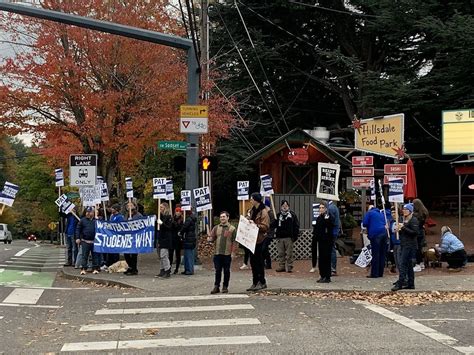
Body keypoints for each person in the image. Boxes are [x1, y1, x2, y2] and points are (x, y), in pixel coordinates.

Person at [208, 211, 237, 294]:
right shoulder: (216, 228)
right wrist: (209, 239)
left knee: (226, 271)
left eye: (224, 217)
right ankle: (216, 286)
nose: (222, 218)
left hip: (227, 254)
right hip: (217, 253)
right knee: (218, 271)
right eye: (221, 217)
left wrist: (233, 252)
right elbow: (212, 238)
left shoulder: (232, 228)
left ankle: (225, 286)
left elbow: (234, 241)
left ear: (228, 217)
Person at [391, 204, 419, 291]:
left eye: (406, 209)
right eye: (403, 209)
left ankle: (400, 282)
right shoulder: (405, 220)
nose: (404, 211)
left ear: (410, 211)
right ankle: (411, 283)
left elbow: (414, 232)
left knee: (403, 263)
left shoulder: (413, 220)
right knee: (408, 264)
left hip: (409, 245)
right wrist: (399, 230)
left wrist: (403, 228)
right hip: (404, 244)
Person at [246, 192, 270, 292]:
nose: (250, 200)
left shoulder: (263, 211)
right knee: (253, 261)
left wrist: (255, 225)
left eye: (251, 199)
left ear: (256, 200)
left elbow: (265, 226)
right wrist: (247, 220)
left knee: (259, 261)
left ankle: (262, 281)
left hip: (260, 239)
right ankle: (255, 281)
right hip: (252, 239)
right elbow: (250, 219)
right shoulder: (252, 210)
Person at [362, 201, 389, 278]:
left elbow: (364, 223)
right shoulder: (381, 213)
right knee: (382, 254)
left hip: (375, 234)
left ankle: (374, 274)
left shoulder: (370, 213)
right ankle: (381, 273)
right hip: (384, 233)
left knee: (375, 254)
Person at [272, 200, 300, 273]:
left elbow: (296, 226)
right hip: (280, 237)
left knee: (289, 253)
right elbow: (274, 225)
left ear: (288, 206)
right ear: (281, 206)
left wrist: (295, 236)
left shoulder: (292, 215)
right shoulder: (277, 216)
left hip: (289, 237)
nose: (285, 207)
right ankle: (282, 266)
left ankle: (289, 266)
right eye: (283, 206)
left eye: (286, 206)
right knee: (281, 253)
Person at [313, 203, 334, 283]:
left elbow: (330, 227)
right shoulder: (319, 218)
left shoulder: (328, 217)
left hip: (327, 241)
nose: (321, 209)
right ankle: (322, 275)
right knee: (321, 259)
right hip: (320, 241)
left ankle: (327, 276)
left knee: (326, 259)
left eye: (322, 208)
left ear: (325, 209)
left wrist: (327, 220)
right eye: (320, 208)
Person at [75, 207, 99, 275]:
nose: (88, 213)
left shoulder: (97, 221)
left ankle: (95, 268)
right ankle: (83, 268)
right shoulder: (82, 221)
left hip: (94, 241)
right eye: (87, 212)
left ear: (93, 213)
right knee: (84, 255)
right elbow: (78, 229)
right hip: (85, 241)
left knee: (95, 255)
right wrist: (77, 238)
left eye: (90, 212)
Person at [124, 201, 142, 276]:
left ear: (134, 206)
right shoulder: (127, 215)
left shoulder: (138, 215)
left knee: (134, 254)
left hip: (135, 236)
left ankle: (134, 269)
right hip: (127, 236)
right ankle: (130, 267)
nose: (129, 206)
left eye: (131, 205)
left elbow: (141, 224)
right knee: (126, 253)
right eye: (128, 205)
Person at [156, 202, 173, 278]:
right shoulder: (160, 216)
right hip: (160, 238)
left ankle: (167, 269)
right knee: (160, 255)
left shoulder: (169, 217)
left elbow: (169, 227)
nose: (160, 209)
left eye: (162, 207)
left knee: (164, 255)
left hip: (166, 238)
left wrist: (162, 224)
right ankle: (162, 269)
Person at [413, 198, 429, 272]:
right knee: (421, 248)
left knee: (417, 249)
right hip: (421, 232)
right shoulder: (424, 212)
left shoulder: (416, 215)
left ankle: (418, 264)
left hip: (417, 232)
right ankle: (422, 263)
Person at [179, 210, 197, 275]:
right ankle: (187, 269)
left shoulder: (189, 219)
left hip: (188, 238)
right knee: (188, 254)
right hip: (190, 238)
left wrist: (180, 232)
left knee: (188, 254)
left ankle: (189, 270)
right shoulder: (192, 218)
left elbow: (185, 227)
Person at [327, 200, 341, 276]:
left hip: (332, 231)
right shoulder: (334, 207)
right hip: (335, 231)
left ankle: (332, 268)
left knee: (331, 249)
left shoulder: (330, 208)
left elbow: (331, 221)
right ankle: (332, 268)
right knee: (332, 249)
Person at [170, 206, 184, 274]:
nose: (177, 213)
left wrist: (174, 223)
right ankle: (169, 267)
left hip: (178, 239)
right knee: (170, 254)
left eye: (179, 211)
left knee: (177, 254)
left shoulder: (181, 220)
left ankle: (177, 268)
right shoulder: (172, 218)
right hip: (172, 238)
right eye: (176, 211)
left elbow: (180, 228)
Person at [262, 197, 275, 270]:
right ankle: (266, 263)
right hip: (264, 234)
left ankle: (267, 263)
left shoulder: (271, 214)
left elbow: (271, 225)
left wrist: (267, 232)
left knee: (264, 248)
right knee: (264, 249)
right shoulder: (264, 213)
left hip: (269, 234)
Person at [389, 207, 402, 274]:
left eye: (395, 212)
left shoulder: (401, 221)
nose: (393, 214)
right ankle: (400, 277)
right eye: (392, 213)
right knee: (396, 261)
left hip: (400, 243)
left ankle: (403, 278)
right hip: (394, 243)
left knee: (400, 261)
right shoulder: (391, 222)